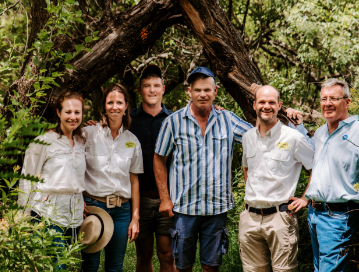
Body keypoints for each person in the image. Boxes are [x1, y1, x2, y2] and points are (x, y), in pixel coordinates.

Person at [154, 66, 253, 272]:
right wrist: (165, 198)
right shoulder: (173, 122)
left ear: (215, 91)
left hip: (216, 208)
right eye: (197, 90)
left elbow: (260, 138)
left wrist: (288, 116)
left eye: (207, 90)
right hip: (184, 208)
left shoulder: (228, 119)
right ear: (189, 92)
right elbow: (159, 158)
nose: (202, 94)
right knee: (183, 266)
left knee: (211, 266)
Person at [294, 78, 359, 271]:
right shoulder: (321, 133)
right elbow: (312, 158)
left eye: (334, 99)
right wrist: (299, 127)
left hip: (338, 216)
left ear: (347, 102)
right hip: (314, 214)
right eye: (323, 99)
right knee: (319, 268)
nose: (327, 103)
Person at [239, 85, 314, 272]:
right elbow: (246, 167)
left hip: (281, 218)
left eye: (271, 102)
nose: (267, 106)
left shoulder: (293, 138)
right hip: (250, 219)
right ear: (255, 105)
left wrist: (306, 198)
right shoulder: (247, 137)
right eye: (262, 102)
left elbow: (317, 166)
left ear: (279, 106)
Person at [18, 91, 86, 270]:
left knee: (67, 264)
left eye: (77, 112)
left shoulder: (81, 141)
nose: (73, 117)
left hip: (74, 216)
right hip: (48, 214)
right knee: (58, 266)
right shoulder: (43, 141)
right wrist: (23, 217)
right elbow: (27, 178)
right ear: (58, 112)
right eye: (68, 112)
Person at [82, 83, 143, 272]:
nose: (114, 107)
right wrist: (78, 199)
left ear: (126, 106)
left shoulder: (133, 141)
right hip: (93, 208)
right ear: (104, 106)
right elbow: (75, 169)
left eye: (119, 102)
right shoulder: (88, 134)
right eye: (110, 102)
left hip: (122, 211)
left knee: (115, 268)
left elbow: (134, 181)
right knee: (90, 266)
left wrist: (135, 218)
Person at [129, 65, 175, 272]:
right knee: (144, 254)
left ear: (163, 89)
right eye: (147, 86)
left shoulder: (174, 119)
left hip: (168, 197)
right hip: (140, 198)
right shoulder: (128, 119)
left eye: (156, 85)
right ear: (140, 90)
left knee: (167, 254)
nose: (152, 90)